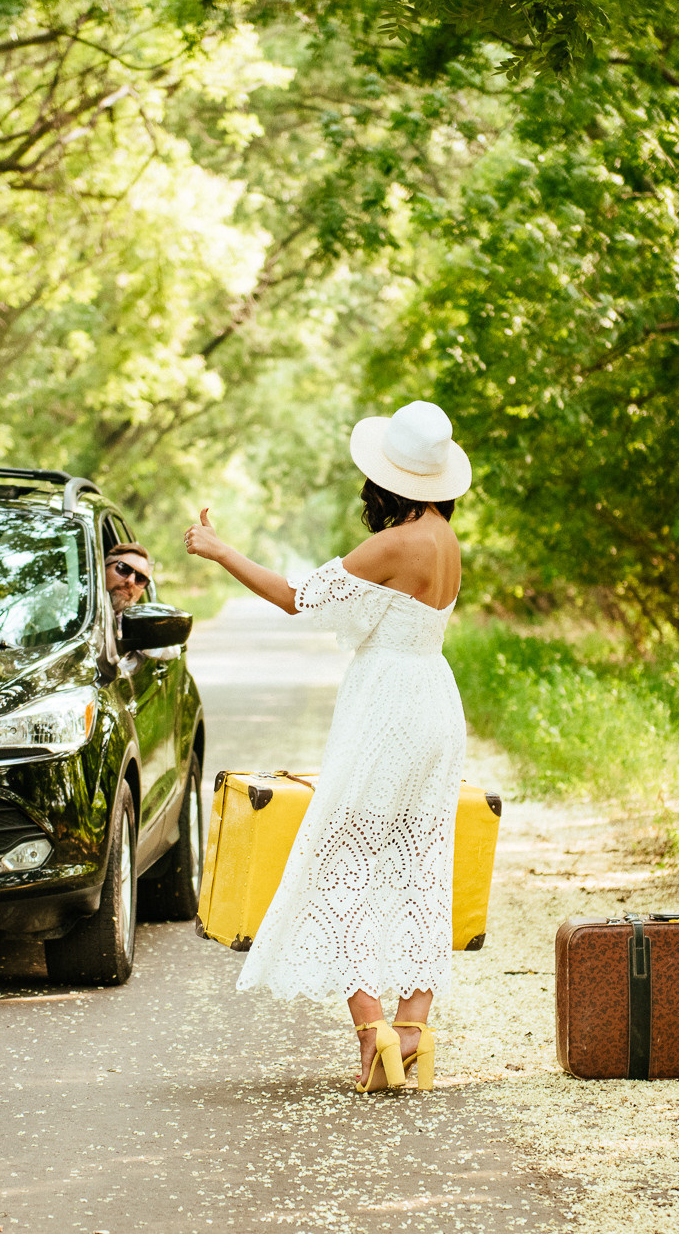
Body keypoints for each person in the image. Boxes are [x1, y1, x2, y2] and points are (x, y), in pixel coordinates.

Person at [182, 400, 469, 1092]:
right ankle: (413, 1034)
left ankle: (375, 1039)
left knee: (338, 857)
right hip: (435, 695)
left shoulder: (397, 543)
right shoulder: (445, 541)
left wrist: (219, 549)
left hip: (388, 706)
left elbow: (294, 596)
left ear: (387, 480)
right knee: (420, 861)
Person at [105, 542, 180, 663]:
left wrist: (137, 636)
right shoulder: (72, 604)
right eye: (123, 568)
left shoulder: (135, 620)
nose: (130, 581)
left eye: (140, 579)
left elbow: (172, 649)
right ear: (103, 570)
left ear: (141, 593)